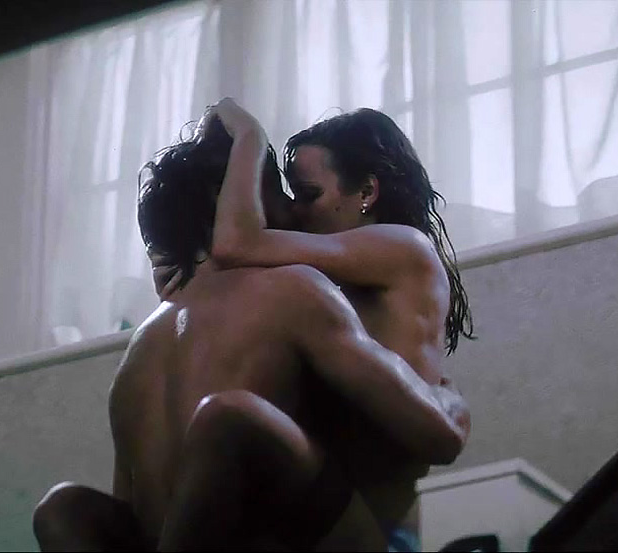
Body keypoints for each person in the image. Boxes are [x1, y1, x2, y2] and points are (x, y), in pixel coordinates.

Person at [32, 116, 470, 551]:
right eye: (286, 193)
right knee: (71, 503)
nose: (294, 211)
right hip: (316, 529)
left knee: (224, 422)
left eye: (307, 194)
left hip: (360, 517)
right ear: (236, 204)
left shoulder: (138, 350)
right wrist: (447, 405)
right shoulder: (294, 290)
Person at [208, 99, 476, 551]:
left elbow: (236, 244)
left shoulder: (402, 247)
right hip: (340, 523)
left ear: (367, 192)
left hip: (377, 535)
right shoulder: (339, 275)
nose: (297, 213)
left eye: (309, 195)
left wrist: (249, 135)